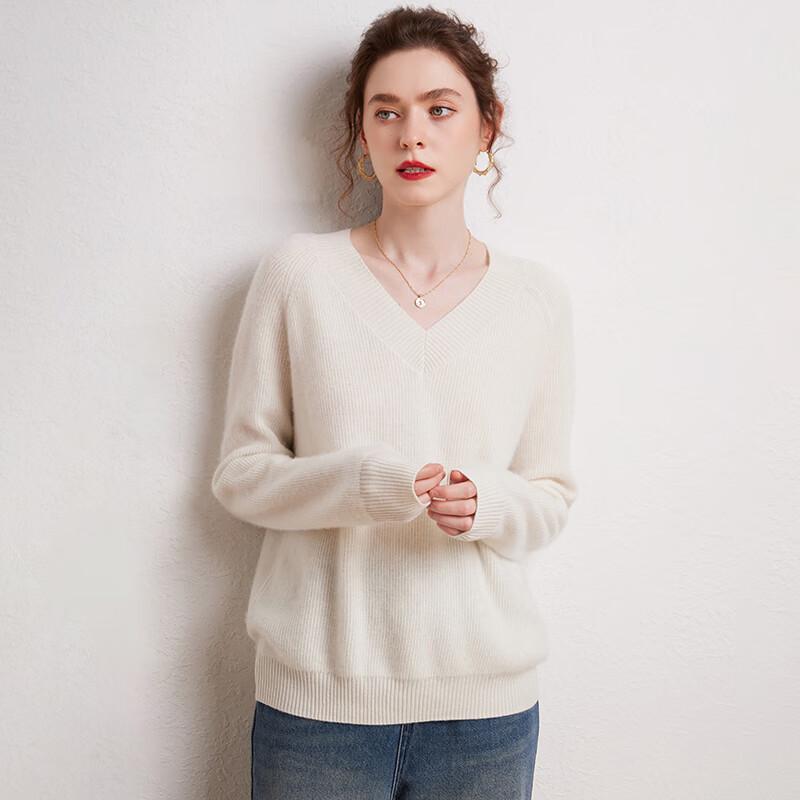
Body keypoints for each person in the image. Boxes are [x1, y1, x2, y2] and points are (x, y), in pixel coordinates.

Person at [211, 6, 578, 799]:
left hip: (487, 713)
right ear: (362, 133)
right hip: (318, 710)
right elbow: (241, 475)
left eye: (440, 109)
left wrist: (487, 501)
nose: (412, 135)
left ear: (487, 126)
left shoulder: (536, 301)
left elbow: (550, 497)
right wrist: (363, 483)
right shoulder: (297, 276)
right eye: (387, 112)